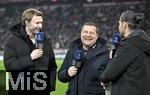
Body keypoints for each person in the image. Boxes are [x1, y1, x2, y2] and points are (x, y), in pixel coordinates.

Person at [4, 8, 57, 95]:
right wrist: (30, 58)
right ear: (27, 23)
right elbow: (9, 66)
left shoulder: (46, 41)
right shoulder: (12, 41)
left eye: (41, 23)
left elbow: (52, 67)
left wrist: (49, 86)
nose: (40, 26)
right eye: (37, 23)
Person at [100, 10, 150, 95]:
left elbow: (108, 75)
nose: (119, 26)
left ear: (125, 24)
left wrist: (103, 79)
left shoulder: (128, 45)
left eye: (119, 24)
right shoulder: (145, 41)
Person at [58, 22, 109, 95]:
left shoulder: (105, 54)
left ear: (97, 36)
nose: (88, 35)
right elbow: (60, 76)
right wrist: (67, 73)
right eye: (85, 32)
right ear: (81, 33)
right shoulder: (72, 51)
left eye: (91, 33)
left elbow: (110, 77)